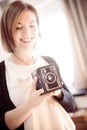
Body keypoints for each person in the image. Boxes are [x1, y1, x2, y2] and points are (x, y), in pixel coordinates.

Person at [0, 0, 76, 130]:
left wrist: (58, 93)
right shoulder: (2, 71)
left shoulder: (49, 61)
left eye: (32, 25)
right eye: (18, 27)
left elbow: (72, 106)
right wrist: (31, 103)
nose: (27, 33)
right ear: (7, 31)